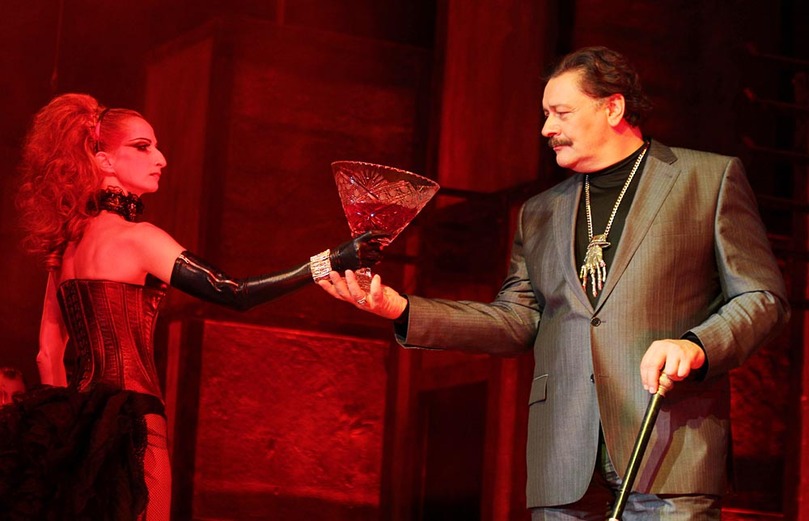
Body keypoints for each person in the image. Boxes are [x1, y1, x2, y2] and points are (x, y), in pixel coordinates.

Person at [318, 46, 790, 519]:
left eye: (561, 113)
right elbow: (517, 321)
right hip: (563, 458)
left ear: (613, 107)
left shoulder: (707, 178)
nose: (547, 129)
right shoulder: (540, 212)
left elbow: (763, 297)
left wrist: (697, 345)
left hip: (668, 446)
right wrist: (401, 309)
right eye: (546, 115)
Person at [1, 92, 386, 521]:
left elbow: (47, 354)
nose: (161, 159)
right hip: (135, 421)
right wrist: (330, 261)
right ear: (104, 160)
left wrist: (63, 435)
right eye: (143, 147)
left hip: (75, 426)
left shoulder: (65, 248)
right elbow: (234, 292)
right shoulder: (139, 239)